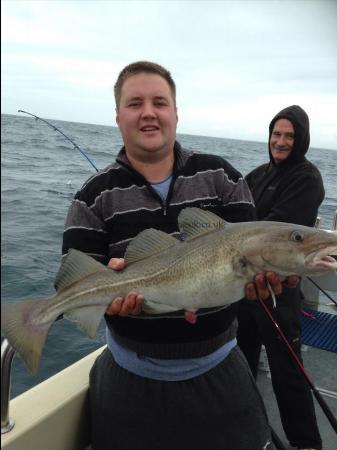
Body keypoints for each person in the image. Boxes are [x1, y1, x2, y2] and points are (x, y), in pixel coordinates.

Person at [62, 61, 296, 450]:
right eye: (135, 103)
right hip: (127, 380)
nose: (149, 112)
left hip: (220, 370)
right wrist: (110, 293)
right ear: (118, 116)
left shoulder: (223, 177)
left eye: (160, 102)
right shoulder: (93, 195)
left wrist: (264, 283)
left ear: (175, 112)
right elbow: (73, 279)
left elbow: (250, 258)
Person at [237, 105, 324, 450]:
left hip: (277, 294)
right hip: (243, 288)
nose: (281, 141)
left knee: (288, 374)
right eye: (276, 134)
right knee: (240, 365)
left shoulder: (306, 177)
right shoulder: (256, 176)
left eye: (289, 135)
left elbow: (278, 232)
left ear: (300, 139)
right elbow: (235, 217)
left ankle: (306, 443)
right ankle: (246, 434)